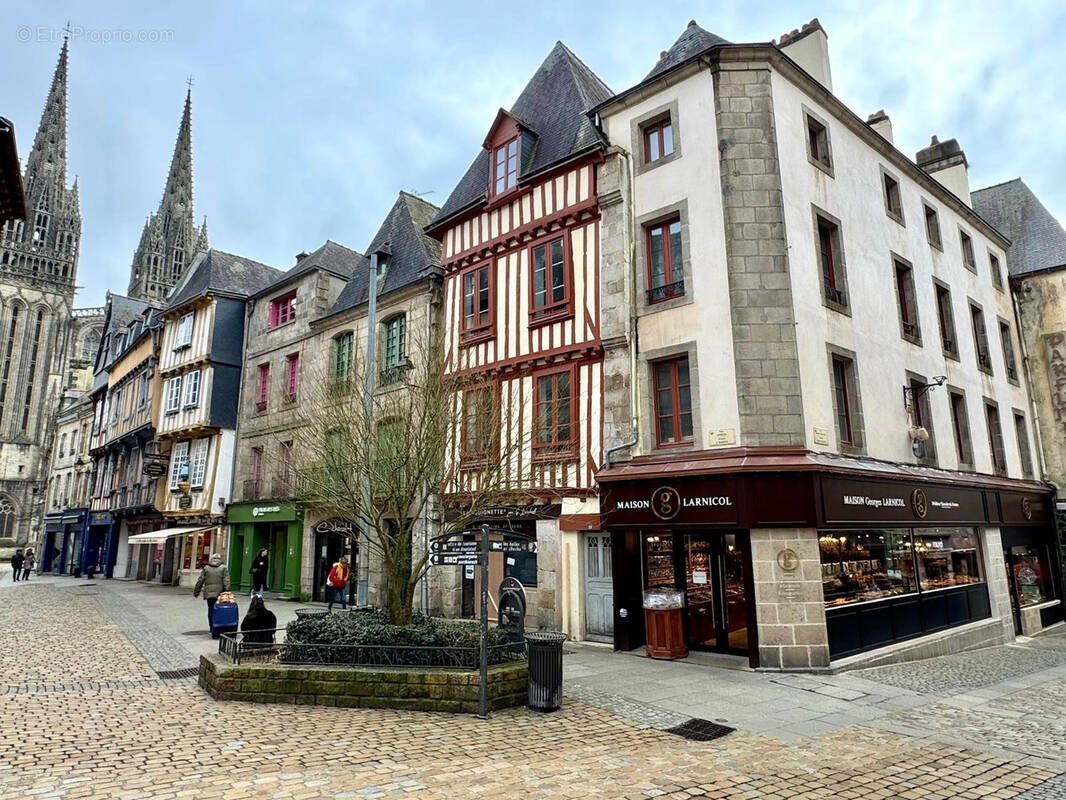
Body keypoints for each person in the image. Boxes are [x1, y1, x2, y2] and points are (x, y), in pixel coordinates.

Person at [193, 553, 230, 638]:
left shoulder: (206, 568)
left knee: (211, 610)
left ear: (212, 559)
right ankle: (218, 627)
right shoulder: (223, 568)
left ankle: (211, 627)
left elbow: (200, 580)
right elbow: (226, 581)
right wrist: (227, 591)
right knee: (219, 611)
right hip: (220, 593)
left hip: (209, 593)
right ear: (220, 559)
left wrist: (196, 592)